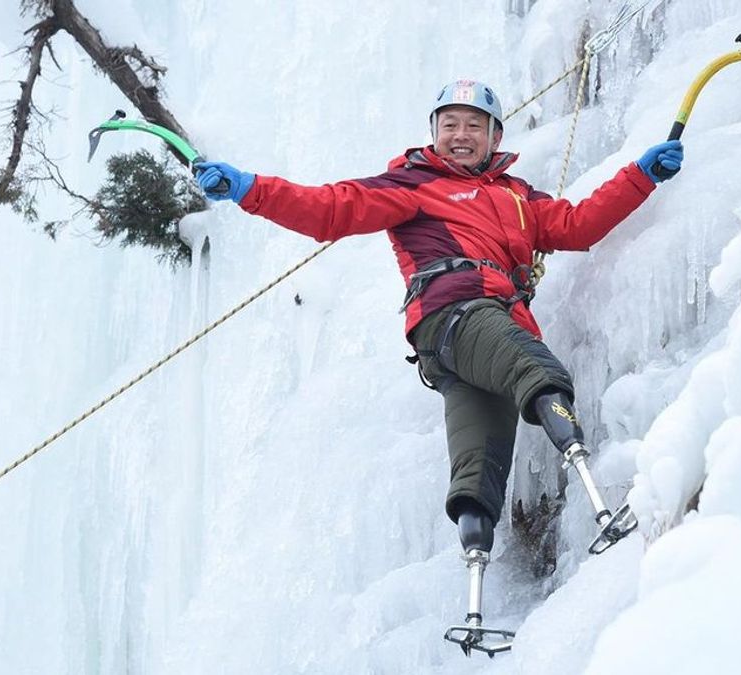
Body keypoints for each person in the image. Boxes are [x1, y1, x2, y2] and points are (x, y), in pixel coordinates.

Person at [195, 79, 682, 655]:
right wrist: (250, 188)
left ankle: (473, 609)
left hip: (478, 335)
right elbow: (331, 209)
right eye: (449, 124)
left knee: (480, 462)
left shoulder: (520, 198)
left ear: (495, 136)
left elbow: (577, 225)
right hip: (454, 313)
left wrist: (640, 176)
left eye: (473, 125)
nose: (460, 134)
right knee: (537, 371)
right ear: (433, 133)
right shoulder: (412, 185)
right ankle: (603, 507)